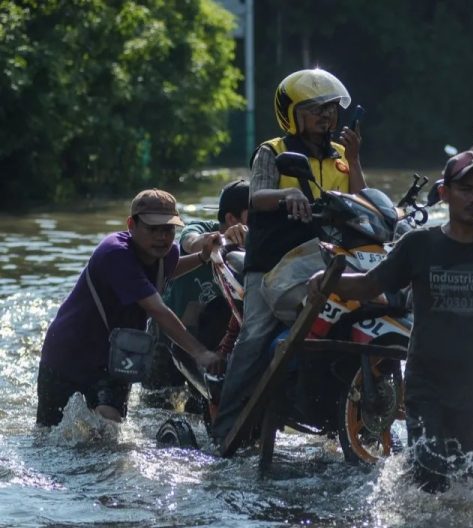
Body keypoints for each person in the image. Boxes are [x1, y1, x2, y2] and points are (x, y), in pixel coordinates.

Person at [307, 150, 473, 493]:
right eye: (466, 189)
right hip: (428, 385)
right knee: (429, 484)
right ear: (444, 193)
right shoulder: (419, 245)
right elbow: (370, 285)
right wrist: (327, 281)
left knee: (470, 487)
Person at [210, 68, 367, 445]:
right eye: (315, 110)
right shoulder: (273, 151)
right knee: (254, 336)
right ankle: (225, 427)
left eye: (329, 109)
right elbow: (257, 196)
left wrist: (357, 158)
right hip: (273, 265)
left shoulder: (343, 156)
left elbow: (362, 201)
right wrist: (287, 195)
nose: (325, 117)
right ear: (292, 114)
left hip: (328, 260)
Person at [36, 189, 223, 427]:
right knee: (48, 435)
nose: (162, 237)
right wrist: (200, 353)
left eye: (168, 229)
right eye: (153, 229)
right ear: (131, 225)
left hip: (115, 358)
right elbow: (158, 310)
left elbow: (165, 272)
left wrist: (202, 257)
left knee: (110, 427)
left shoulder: (167, 254)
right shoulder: (115, 253)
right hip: (69, 355)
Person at [143, 180, 250, 397]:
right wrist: (223, 240)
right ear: (231, 219)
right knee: (156, 404)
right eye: (255, 215)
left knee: (199, 409)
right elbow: (191, 243)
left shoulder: (254, 248)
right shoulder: (200, 229)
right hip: (167, 336)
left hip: (208, 343)